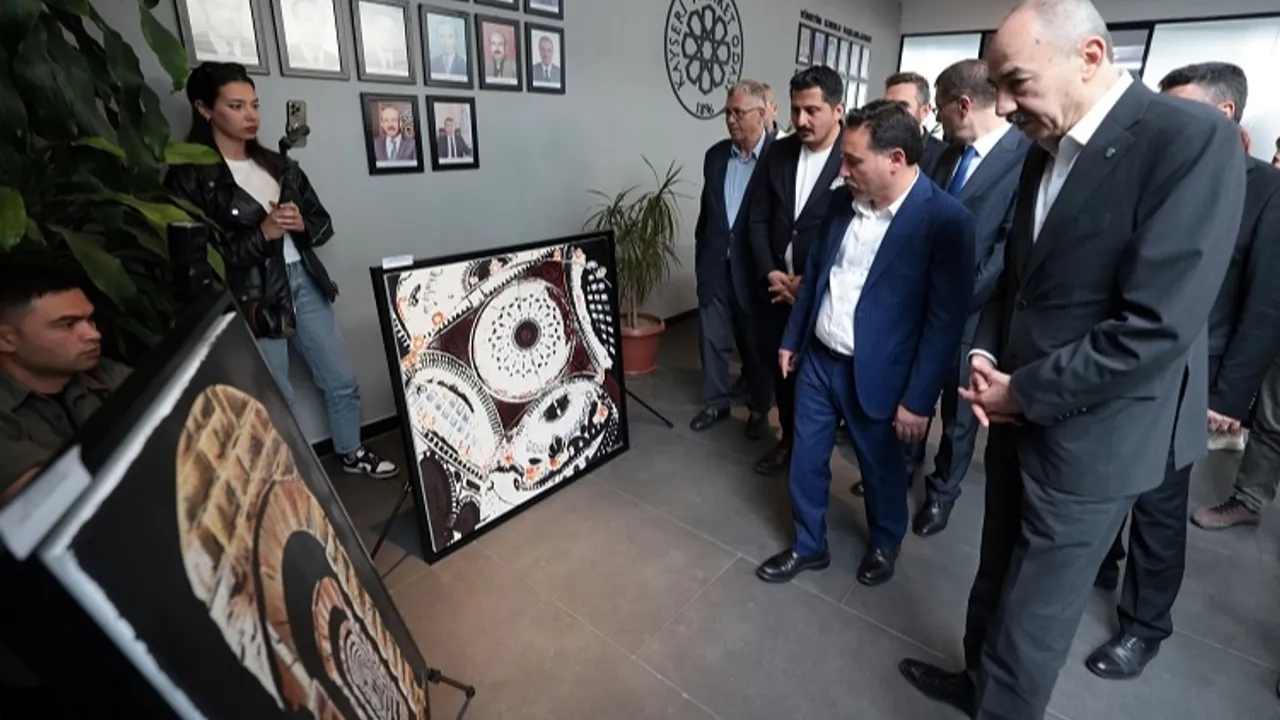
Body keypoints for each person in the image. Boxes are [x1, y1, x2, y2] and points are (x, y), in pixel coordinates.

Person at [898, 2, 1247, 717]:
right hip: (1013, 412)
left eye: (1017, 82)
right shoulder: (1042, 144)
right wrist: (986, 355)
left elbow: (1154, 327)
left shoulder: (1189, 140)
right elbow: (1020, 281)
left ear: (1089, 57)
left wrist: (1023, 391)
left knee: (1035, 617)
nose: (1003, 105)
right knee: (994, 574)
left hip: (1094, 438)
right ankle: (974, 681)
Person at [1086, 62, 1280, 679]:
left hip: (1194, 376)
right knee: (1105, 475)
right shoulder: (1154, 166)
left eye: (1179, 108)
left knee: (1160, 503)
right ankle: (1100, 564)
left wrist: (1228, 395)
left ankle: (1144, 625)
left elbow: (1265, 304)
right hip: (1122, 356)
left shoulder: (1265, 190)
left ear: (1224, 115)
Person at [755, 100, 975, 588]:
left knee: (880, 469)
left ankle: (885, 540)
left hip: (880, 371)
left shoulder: (946, 222)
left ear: (895, 159)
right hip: (819, 359)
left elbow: (944, 324)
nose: (842, 170)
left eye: (853, 160)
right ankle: (808, 544)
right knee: (806, 457)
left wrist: (918, 401)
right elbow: (816, 276)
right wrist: (793, 339)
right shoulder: (840, 203)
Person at [165, 61, 398, 479]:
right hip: (251, 295)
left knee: (341, 378)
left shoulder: (279, 165)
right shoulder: (190, 177)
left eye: (254, 104)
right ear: (204, 109)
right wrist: (263, 233)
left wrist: (301, 225)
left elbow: (322, 224)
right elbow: (201, 259)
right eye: (236, 106)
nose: (250, 115)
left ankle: (351, 451)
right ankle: (284, 480)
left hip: (303, 281)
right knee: (274, 395)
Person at [899, 59, 1032, 537]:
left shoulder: (1026, 157)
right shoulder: (944, 155)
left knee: (959, 417)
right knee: (915, 393)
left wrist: (952, 300)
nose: (936, 118)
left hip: (974, 315)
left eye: (939, 108)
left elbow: (1007, 251)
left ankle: (941, 494)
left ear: (964, 104)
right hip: (921, 304)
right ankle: (904, 467)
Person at [746, 66, 845, 475]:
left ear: (838, 110)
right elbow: (757, 218)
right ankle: (788, 439)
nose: (801, 120)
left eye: (812, 110)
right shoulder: (780, 152)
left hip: (823, 294)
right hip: (776, 290)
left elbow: (858, 233)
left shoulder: (853, 156)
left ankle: (813, 453)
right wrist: (770, 271)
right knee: (782, 373)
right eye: (795, 110)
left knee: (818, 381)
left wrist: (811, 283)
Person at [0, 265, 132, 507]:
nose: (93, 334)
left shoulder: (106, 373)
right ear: (6, 339)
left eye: (90, 319)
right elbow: (47, 502)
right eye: (67, 325)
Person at [690, 80, 776, 439]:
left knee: (756, 345)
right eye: (727, 112)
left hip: (755, 272)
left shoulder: (778, 158)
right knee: (711, 339)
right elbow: (707, 215)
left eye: (739, 112)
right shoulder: (714, 156)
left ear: (761, 114)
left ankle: (759, 409)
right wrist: (702, 256)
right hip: (715, 266)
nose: (730, 119)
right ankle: (716, 402)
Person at [883, 71, 947, 176]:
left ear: (925, 111)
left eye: (902, 106)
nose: (892, 112)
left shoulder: (943, 157)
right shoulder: (875, 147)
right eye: (887, 105)